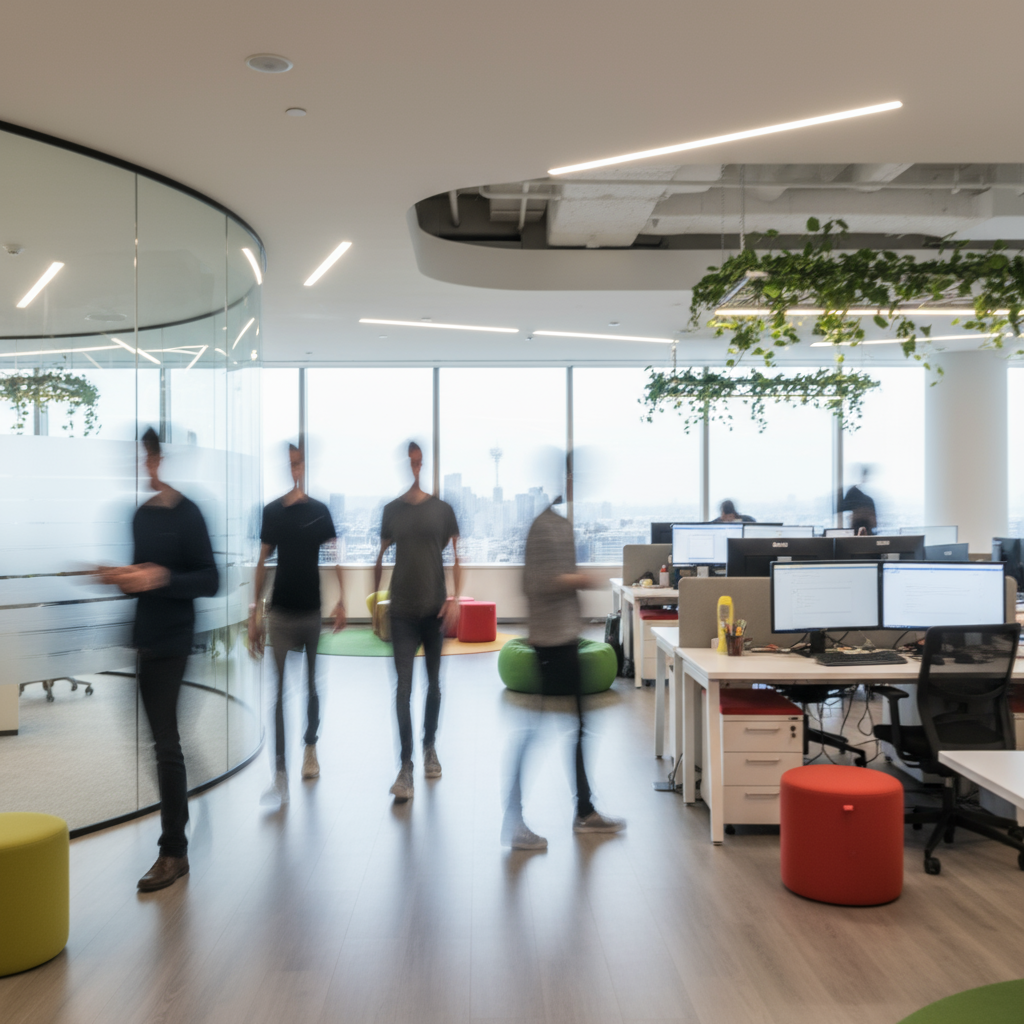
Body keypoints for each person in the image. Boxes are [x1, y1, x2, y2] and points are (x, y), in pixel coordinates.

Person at [99, 428, 218, 892]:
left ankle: (174, 852)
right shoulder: (139, 517)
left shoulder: (188, 513)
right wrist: (121, 577)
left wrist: (160, 577)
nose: (139, 467)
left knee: (166, 743)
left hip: (174, 639)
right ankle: (175, 839)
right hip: (144, 638)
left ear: (157, 459)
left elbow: (209, 578)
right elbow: (140, 574)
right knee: (160, 742)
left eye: (143, 458)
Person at [502, 497, 625, 850]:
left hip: (564, 636)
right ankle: (517, 820)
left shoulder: (557, 523)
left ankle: (584, 811)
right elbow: (537, 582)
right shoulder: (545, 526)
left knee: (576, 727)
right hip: (551, 639)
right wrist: (578, 579)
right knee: (538, 731)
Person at [250, 443, 346, 806]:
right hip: (280, 613)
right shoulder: (273, 511)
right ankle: (279, 773)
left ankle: (310, 747)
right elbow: (262, 561)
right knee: (277, 696)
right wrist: (254, 614)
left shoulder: (319, 511)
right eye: (289, 462)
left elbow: (336, 555)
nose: (294, 467)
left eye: (299, 462)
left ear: (305, 465)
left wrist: (341, 600)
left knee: (311, 685)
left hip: (310, 612)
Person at [373, 441, 461, 801]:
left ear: (423, 464)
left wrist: (454, 597)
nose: (414, 466)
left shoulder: (442, 510)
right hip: (402, 613)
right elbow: (379, 557)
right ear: (405, 463)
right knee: (403, 689)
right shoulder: (391, 511)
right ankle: (406, 766)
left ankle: (430, 747)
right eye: (409, 461)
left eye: (418, 461)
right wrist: (376, 600)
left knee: (434, 685)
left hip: (434, 610)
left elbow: (458, 556)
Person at [841, 467, 877, 535]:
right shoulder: (853, 493)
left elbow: (874, 523)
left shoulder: (867, 499)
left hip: (862, 535)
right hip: (860, 535)